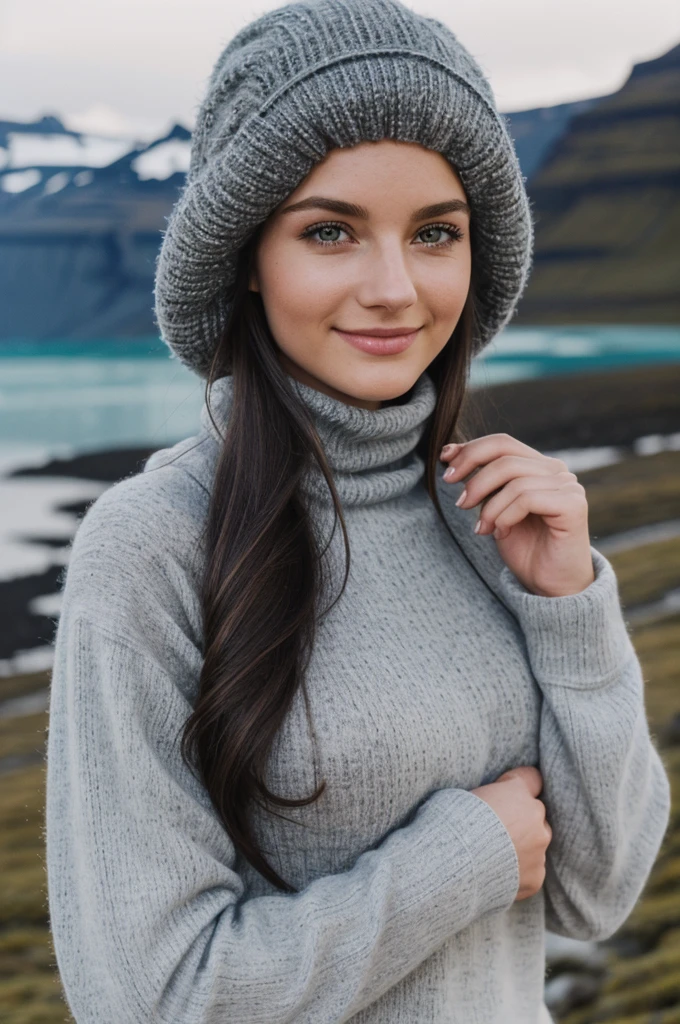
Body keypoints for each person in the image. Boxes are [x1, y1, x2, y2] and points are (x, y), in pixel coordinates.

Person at [44, 1, 671, 1021]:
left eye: (434, 234)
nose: (393, 287)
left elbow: (593, 892)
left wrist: (569, 605)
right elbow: (152, 999)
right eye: (330, 231)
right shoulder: (150, 545)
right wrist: (461, 856)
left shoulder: (491, 519)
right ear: (248, 255)